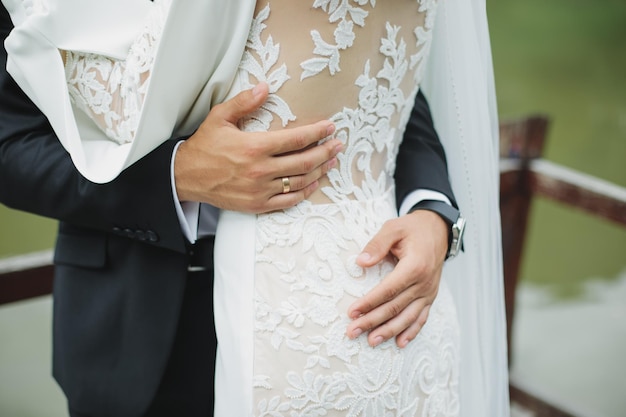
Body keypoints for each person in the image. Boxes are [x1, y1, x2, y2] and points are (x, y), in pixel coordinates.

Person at [0, 1, 499, 416]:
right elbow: (9, 141)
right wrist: (177, 175)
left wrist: (433, 212)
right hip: (133, 320)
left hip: (339, 314)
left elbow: (383, 72)